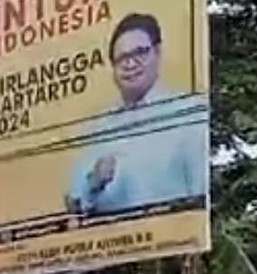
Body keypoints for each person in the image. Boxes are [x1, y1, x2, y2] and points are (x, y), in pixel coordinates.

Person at [65, 12, 209, 216]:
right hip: (110, 243)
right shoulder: (101, 126)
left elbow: (201, 191)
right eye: (121, 58)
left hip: (171, 241)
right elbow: (73, 202)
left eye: (140, 53)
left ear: (157, 53)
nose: (130, 64)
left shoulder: (187, 111)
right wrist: (94, 181)